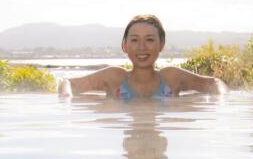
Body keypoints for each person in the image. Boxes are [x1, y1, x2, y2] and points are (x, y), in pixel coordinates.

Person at [57, 14, 227, 98]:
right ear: (124, 45)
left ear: (161, 44)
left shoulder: (171, 78)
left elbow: (213, 83)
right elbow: (68, 83)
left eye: (150, 39)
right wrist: (66, 100)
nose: (142, 47)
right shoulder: (113, 77)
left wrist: (222, 102)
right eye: (135, 40)